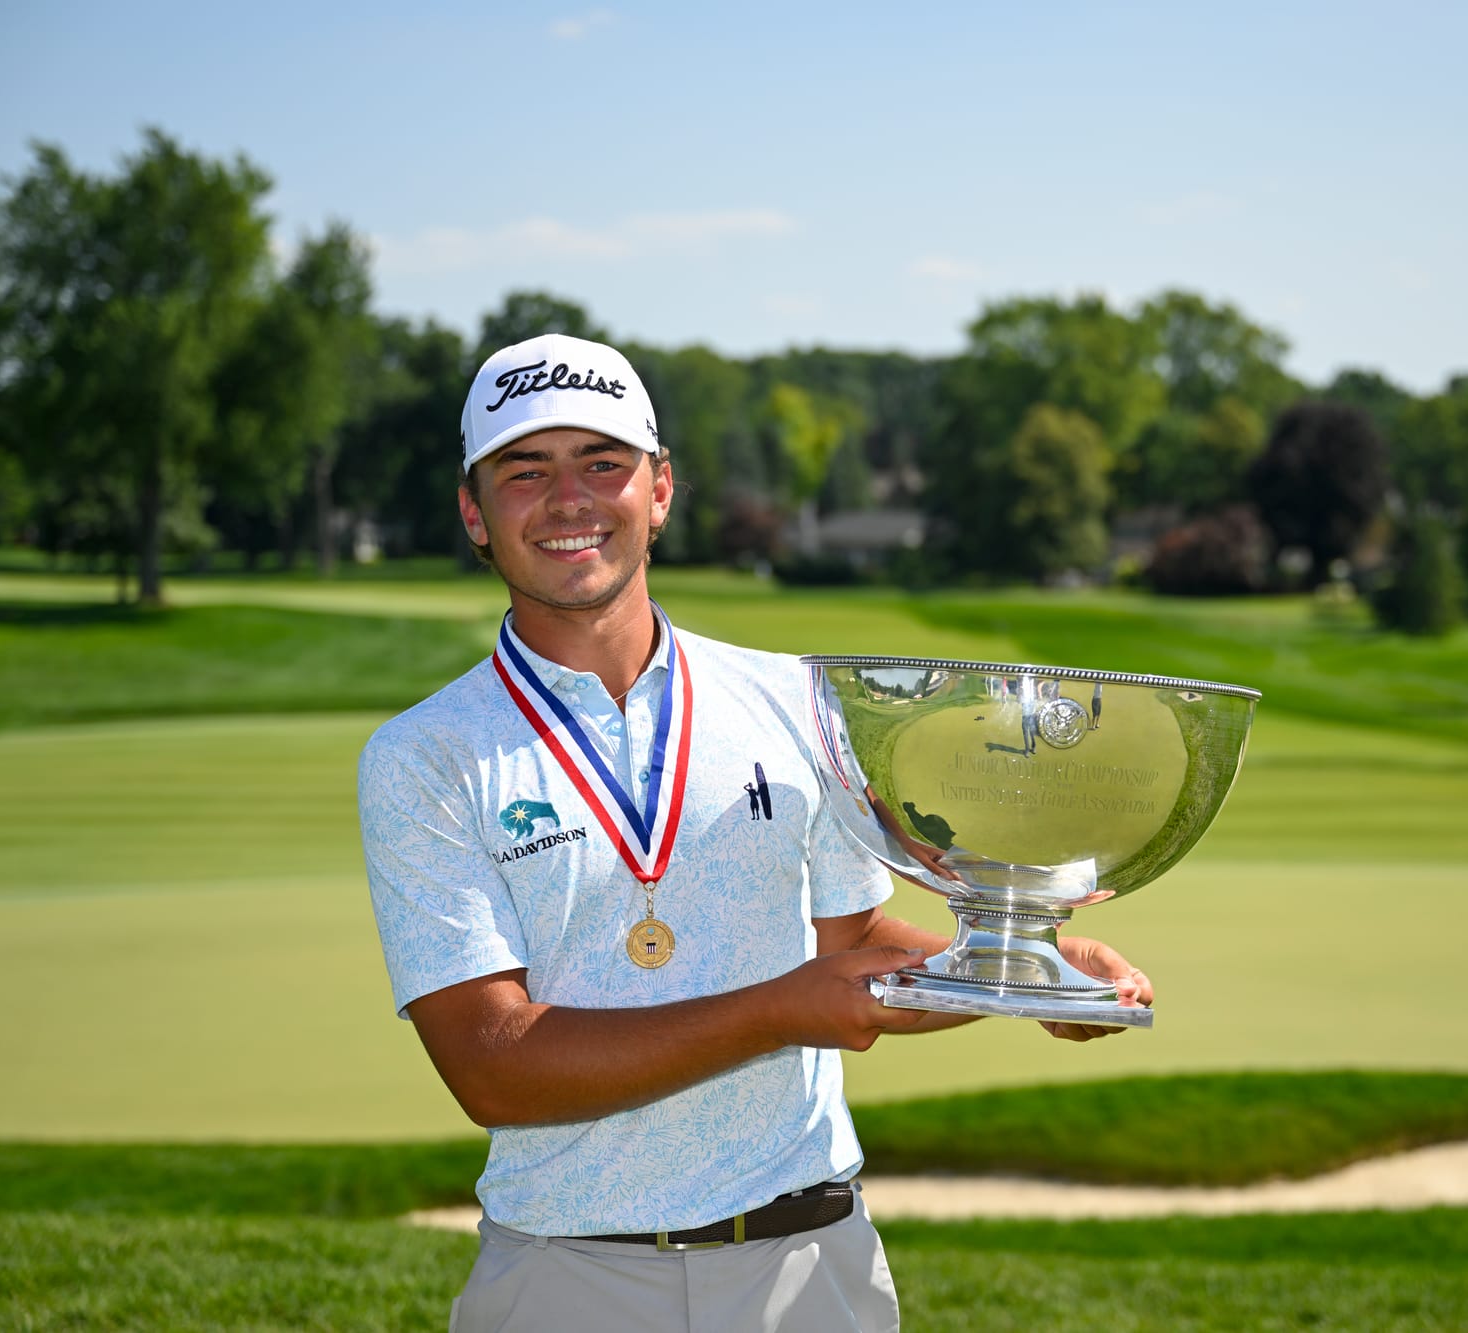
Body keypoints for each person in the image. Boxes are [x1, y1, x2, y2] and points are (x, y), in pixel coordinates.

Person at [358, 333, 1152, 1333]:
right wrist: (776, 1011)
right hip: (568, 1278)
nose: (567, 499)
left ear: (659, 490)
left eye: (602, 463)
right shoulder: (424, 755)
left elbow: (854, 947)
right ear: (474, 511)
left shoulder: (792, 700)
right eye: (525, 470)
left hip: (809, 1266)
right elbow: (492, 1065)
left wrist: (1025, 968)